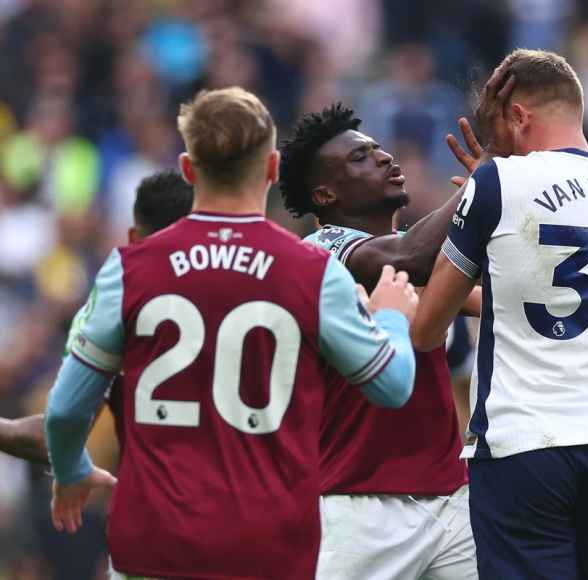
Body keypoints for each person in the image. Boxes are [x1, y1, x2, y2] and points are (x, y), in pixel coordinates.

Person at [44, 87, 418, 580]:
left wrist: (71, 472)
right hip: (267, 552)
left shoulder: (128, 269)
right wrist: (391, 316)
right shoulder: (314, 271)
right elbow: (392, 388)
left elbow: (67, 408)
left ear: (186, 169)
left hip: (152, 549)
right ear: (269, 169)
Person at [411, 49, 588, 579]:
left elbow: (428, 329)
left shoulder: (498, 182)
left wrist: (485, 188)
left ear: (517, 117)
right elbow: (544, 301)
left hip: (524, 446)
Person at [279, 102, 482, 580]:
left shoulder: (419, 256)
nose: (385, 157)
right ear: (325, 194)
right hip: (357, 506)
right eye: (359, 158)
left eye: (377, 148)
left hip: (451, 502)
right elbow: (408, 256)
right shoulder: (321, 253)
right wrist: (485, 181)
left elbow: (490, 299)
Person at [0, 170, 194, 466]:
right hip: (250, 498)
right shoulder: (262, 281)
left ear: (133, 238)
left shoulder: (122, 289)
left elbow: (58, 433)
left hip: (158, 497)